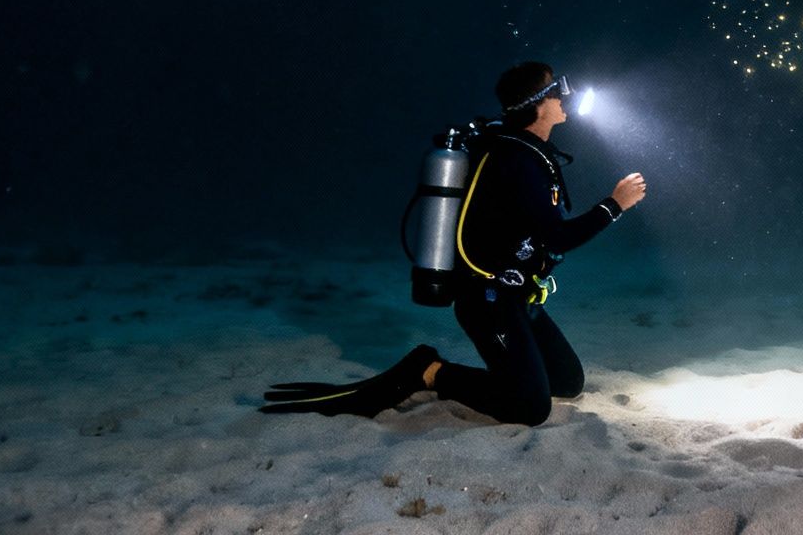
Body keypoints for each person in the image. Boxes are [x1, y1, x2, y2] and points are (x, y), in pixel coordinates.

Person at [261, 62, 647, 425]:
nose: (564, 96)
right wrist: (615, 204)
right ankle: (429, 372)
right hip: (488, 300)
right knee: (531, 407)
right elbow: (558, 236)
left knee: (567, 382)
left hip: (518, 296)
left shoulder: (526, 152)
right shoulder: (516, 159)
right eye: (555, 89)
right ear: (536, 106)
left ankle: (476, 368)